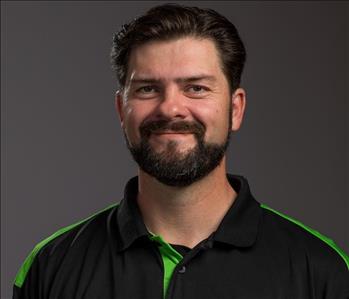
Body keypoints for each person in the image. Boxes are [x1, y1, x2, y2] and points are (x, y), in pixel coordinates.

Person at [13, 3, 348, 299]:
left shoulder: (318, 268)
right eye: (147, 88)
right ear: (121, 109)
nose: (171, 108)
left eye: (196, 88)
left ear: (236, 109)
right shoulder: (51, 265)